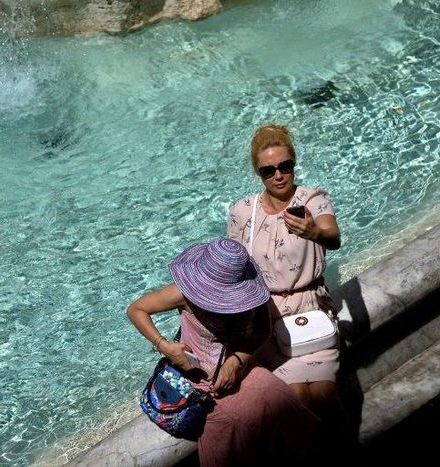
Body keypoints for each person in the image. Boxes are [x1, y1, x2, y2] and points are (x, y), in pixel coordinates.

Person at [127, 237, 317, 466]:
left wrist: (237, 360)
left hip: (241, 372)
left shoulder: (250, 291)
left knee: (290, 416)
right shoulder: (183, 294)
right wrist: (165, 346)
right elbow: (136, 309)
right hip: (199, 385)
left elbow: (262, 328)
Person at [226, 123, 351, 449]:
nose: (279, 175)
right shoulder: (243, 211)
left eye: (285, 166)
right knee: (292, 397)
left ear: (294, 163)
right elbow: (232, 264)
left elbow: (333, 236)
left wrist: (315, 233)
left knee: (323, 394)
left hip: (312, 308)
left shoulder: (313, 199)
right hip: (268, 317)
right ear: (258, 173)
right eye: (268, 170)